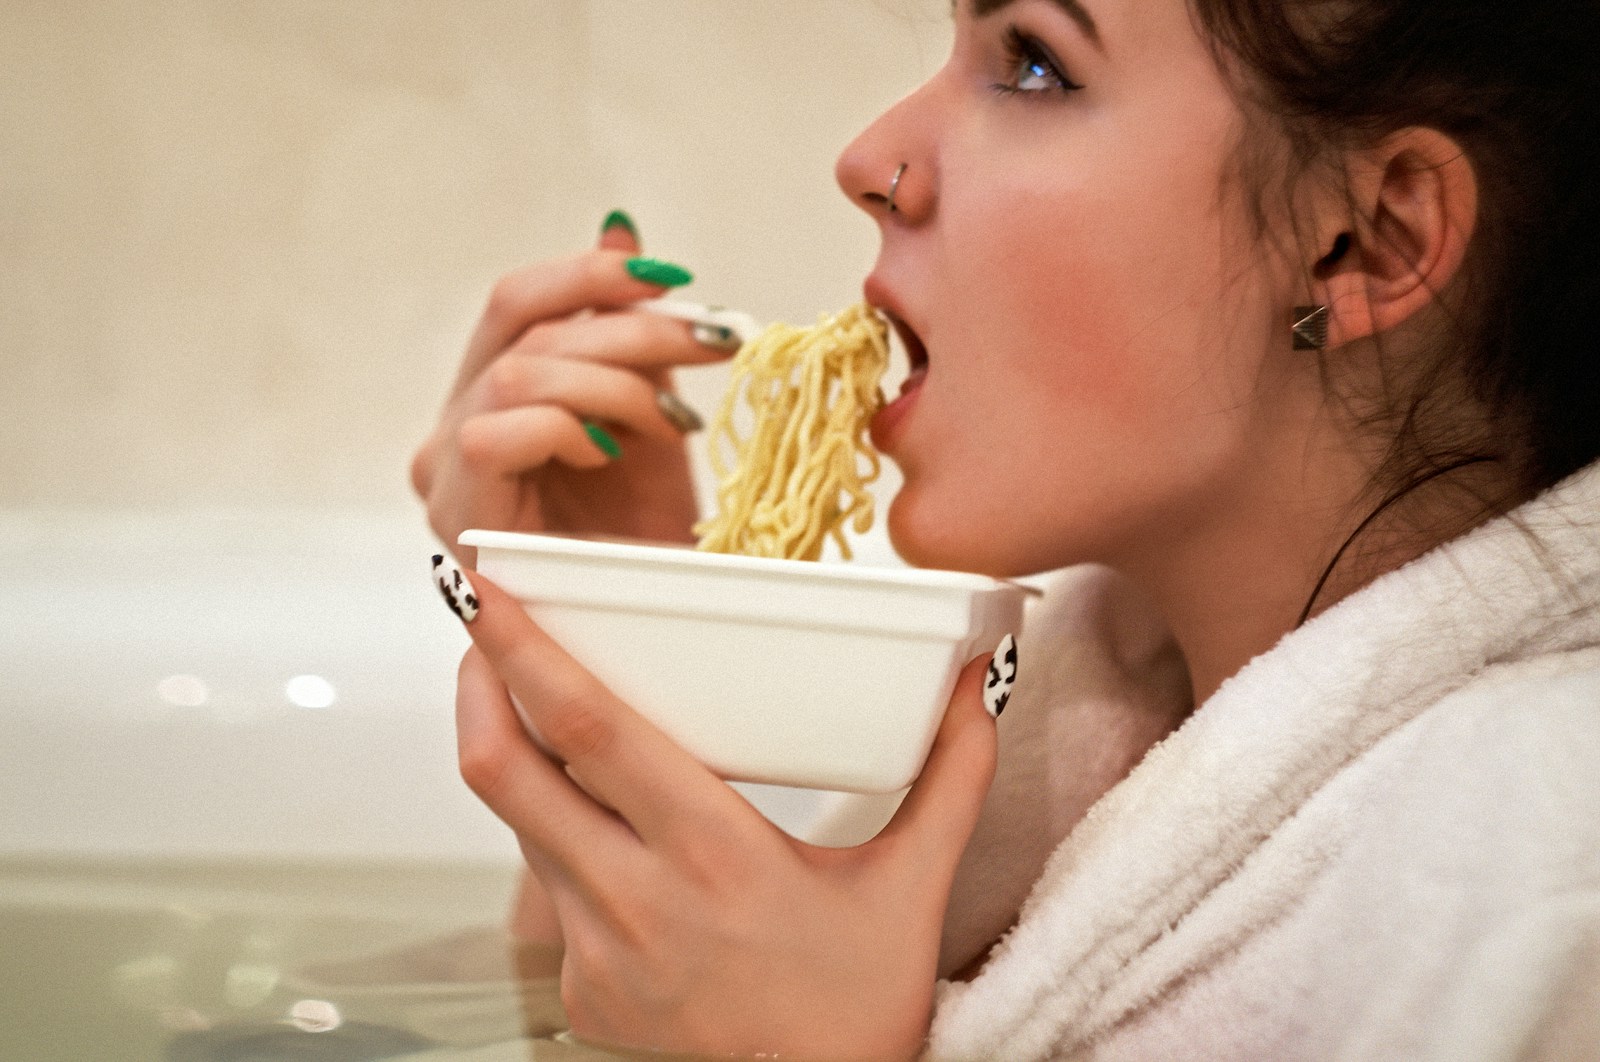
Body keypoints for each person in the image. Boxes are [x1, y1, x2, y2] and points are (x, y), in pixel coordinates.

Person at [412, 0, 1600, 1057]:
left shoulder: (1545, 876)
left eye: (1034, 61)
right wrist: (632, 660)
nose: (868, 159)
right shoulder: (1098, 732)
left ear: (1367, 241)